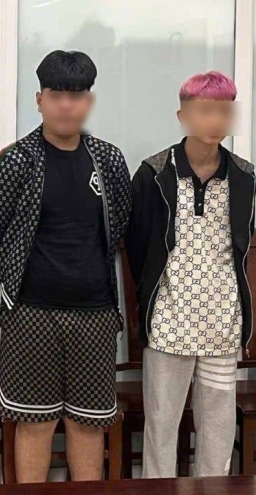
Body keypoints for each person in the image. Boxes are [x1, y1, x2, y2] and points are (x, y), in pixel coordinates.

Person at [0, 50, 131, 483]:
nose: (66, 105)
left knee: (89, 425)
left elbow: (119, 223)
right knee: (34, 424)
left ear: (89, 101)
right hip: (31, 314)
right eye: (57, 94)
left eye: (76, 95)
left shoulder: (108, 160)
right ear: (39, 99)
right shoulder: (17, 160)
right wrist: (18, 282)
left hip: (95, 314)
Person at [127, 71, 254, 478]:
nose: (215, 120)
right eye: (205, 110)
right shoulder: (154, 173)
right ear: (183, 115)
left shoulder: (245, 177)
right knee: (161, 426)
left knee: (217, 428)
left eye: (224, 111)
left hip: (222, 322)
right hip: (168, 320)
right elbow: (137, 246)